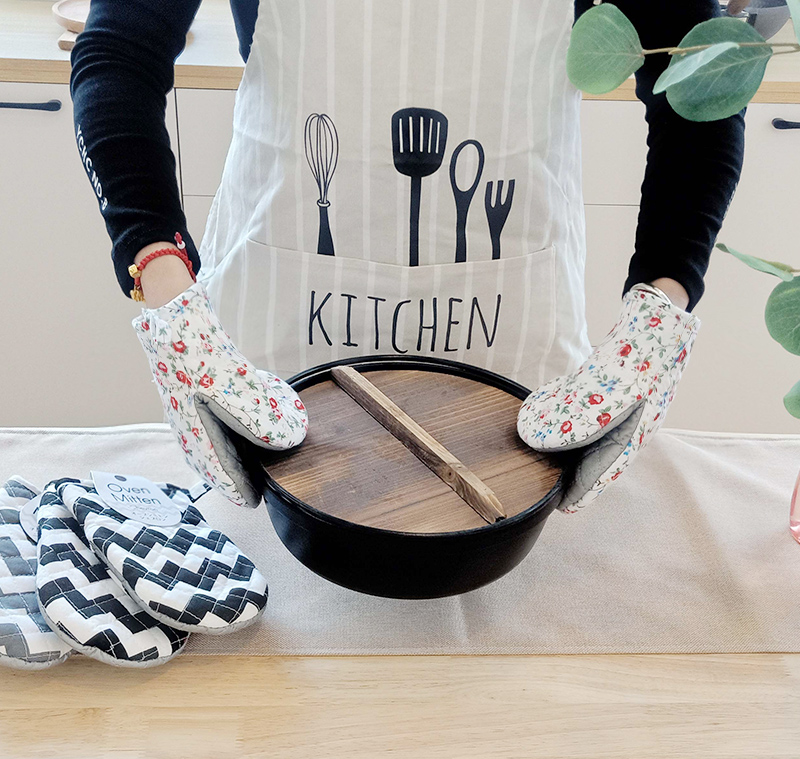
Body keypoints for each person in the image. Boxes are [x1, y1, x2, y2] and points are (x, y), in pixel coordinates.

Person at [69, 0, 745, 512]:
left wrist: (656, 320)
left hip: (518, 383)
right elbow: (119, 53)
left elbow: (702, 83)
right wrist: (171, 301)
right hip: (266, 375)